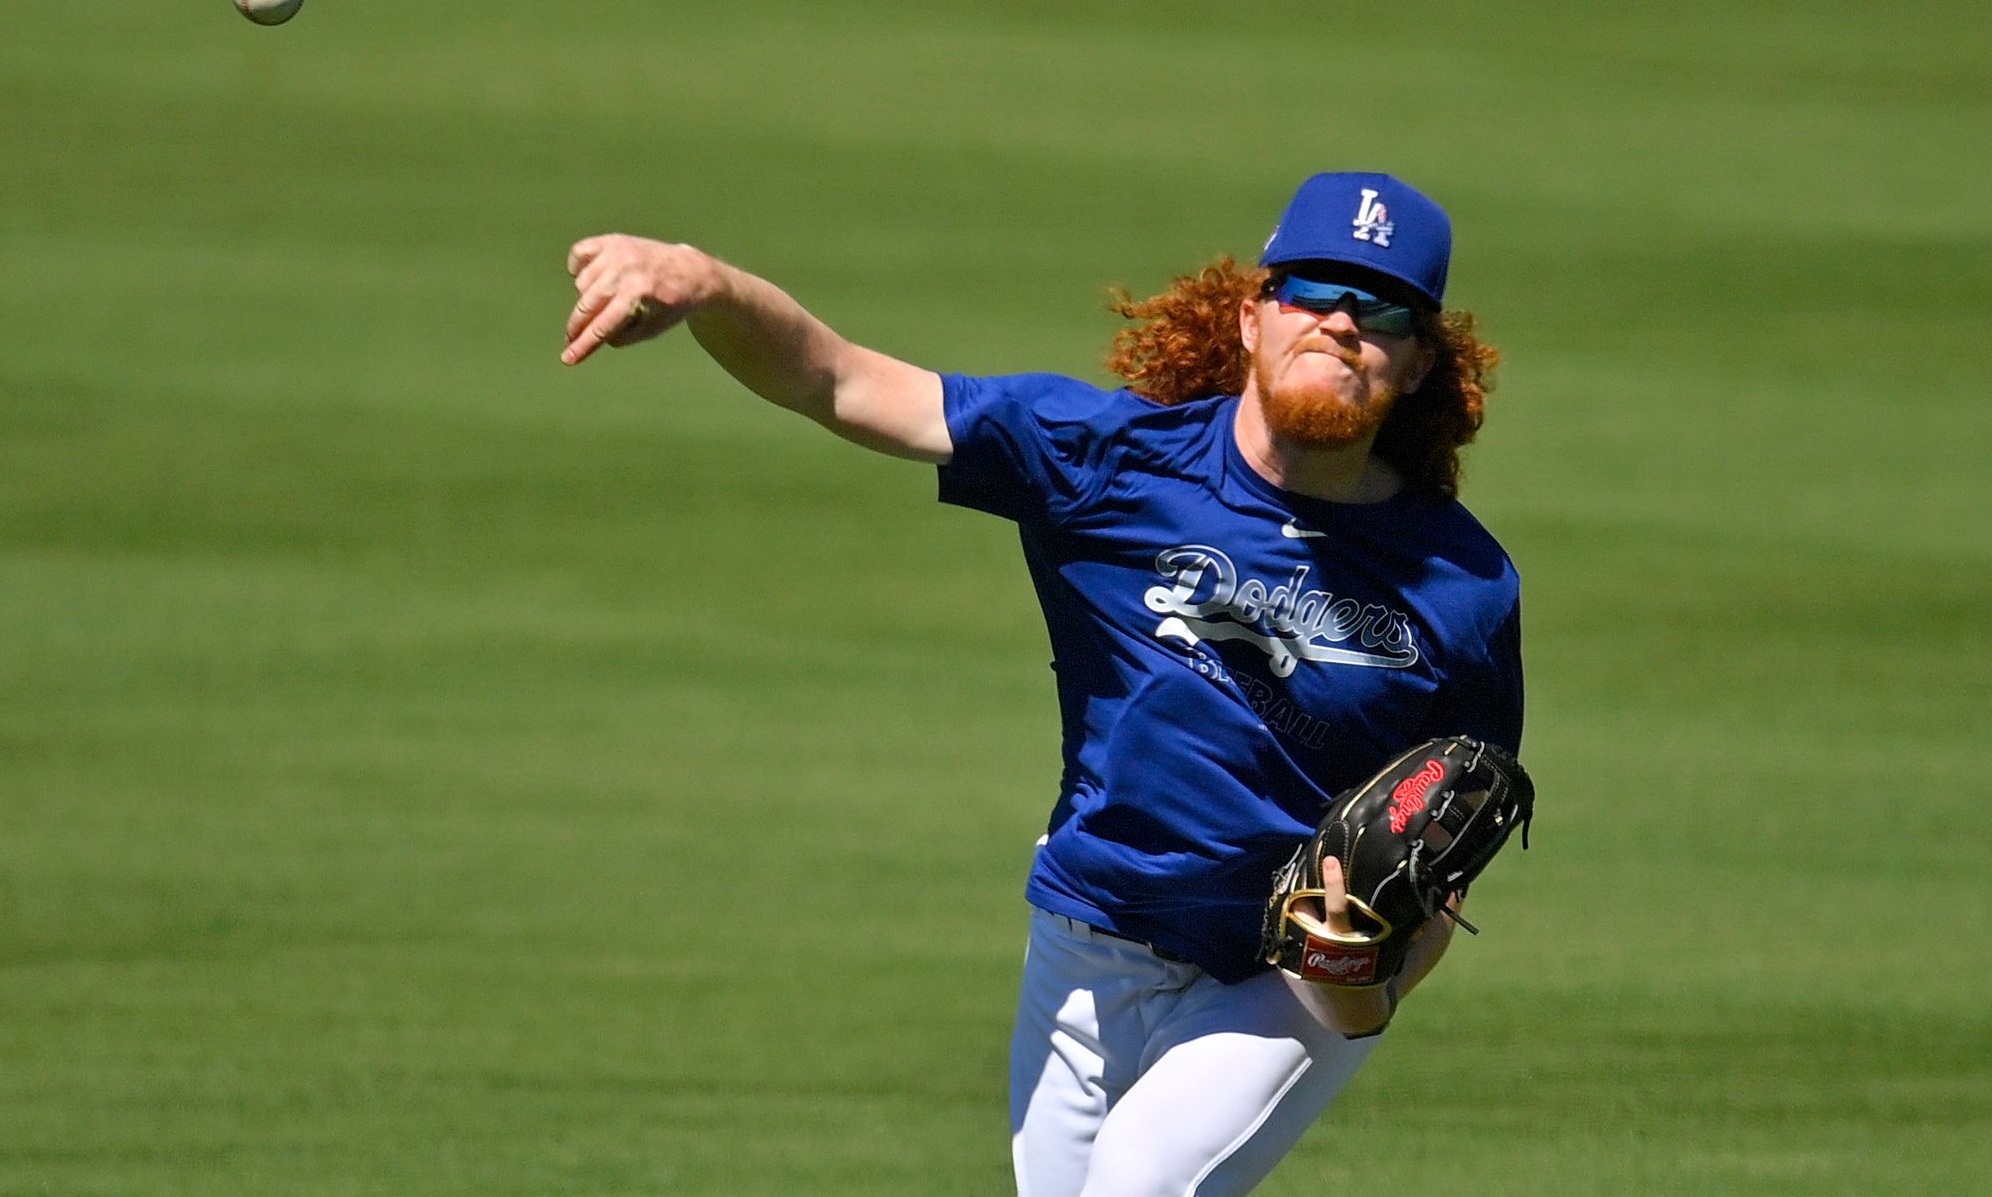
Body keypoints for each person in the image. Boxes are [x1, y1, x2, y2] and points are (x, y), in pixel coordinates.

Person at [560, 172, 1523, 1197]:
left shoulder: (1461, 588)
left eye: (1379, 310)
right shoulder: (1107, 462)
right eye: (1311, 293)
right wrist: (705, 283)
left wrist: (1361, 991)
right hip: (1082, 946)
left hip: (1277, 984)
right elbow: (835, 382)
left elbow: (1446, 846)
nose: (1339, 323)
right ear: (1252, 319)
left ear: (1419, 364)